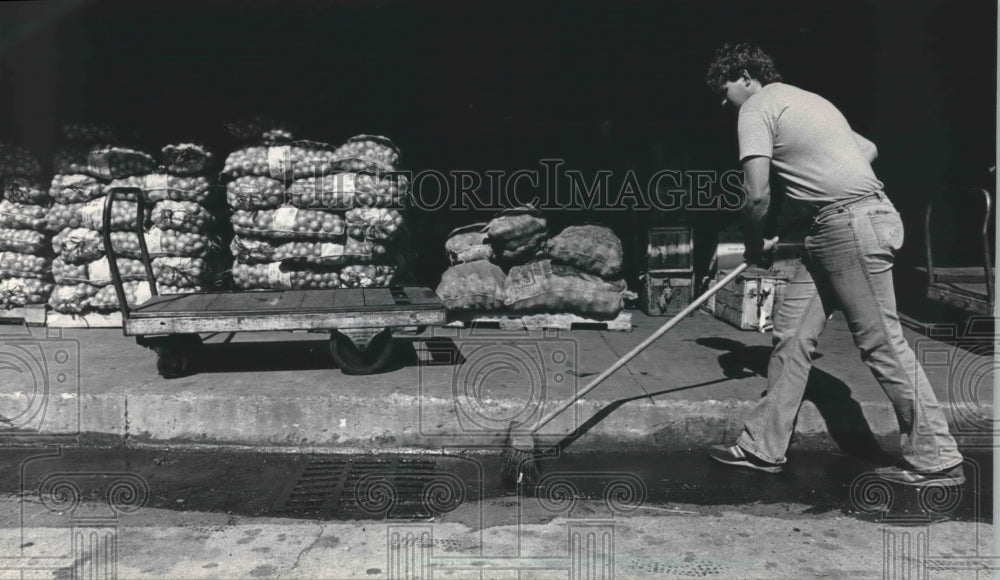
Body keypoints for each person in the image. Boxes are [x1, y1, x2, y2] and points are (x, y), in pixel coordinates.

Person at [704, 42, 965, 487]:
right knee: (791, 334)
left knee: (881, 344)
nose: (723, 101)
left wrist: (754, 244)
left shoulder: (756, 108)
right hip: (832, 228)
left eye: (723, 89)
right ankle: (763, 447)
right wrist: (819, 195)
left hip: (849, 227)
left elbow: (757, 194)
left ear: (745, 76)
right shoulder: (808, 100)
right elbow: (868, 149)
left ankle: (937, 457)